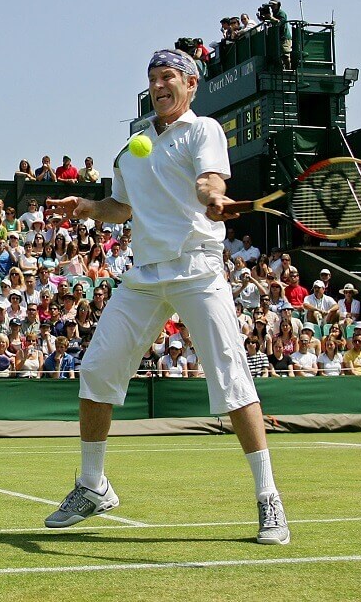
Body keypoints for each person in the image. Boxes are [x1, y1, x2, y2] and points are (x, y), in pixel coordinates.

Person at [42, 49, 288, 545]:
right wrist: (86, 207)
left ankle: (268, 499)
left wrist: (214, 196)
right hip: (145, 275)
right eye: (153, 79)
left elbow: (209, 179)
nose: (159, 86)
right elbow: (120, 207)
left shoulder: (204, 131)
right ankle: (93, 486)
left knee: (232, 379)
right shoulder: (133, 147)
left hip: (197, 268)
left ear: (191, 85)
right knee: (96, 370)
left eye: (168, 77)